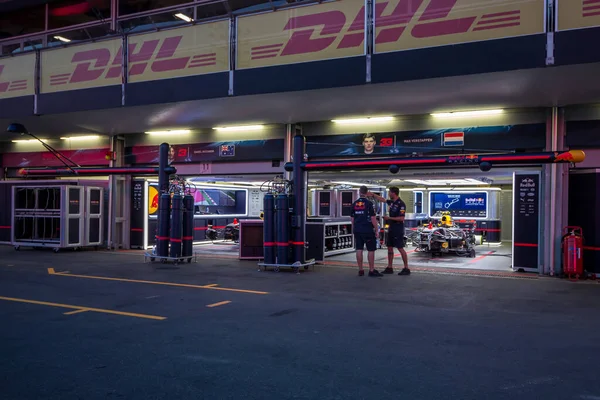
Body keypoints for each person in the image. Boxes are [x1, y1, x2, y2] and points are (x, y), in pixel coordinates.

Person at [368, 187, 410, 276]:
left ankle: (406, 268)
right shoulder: (392, 202)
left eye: (390, 193)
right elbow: (382, 199)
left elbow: (402, 218)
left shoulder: (401, 204)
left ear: (393, 193)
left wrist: (389, 218)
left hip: (398, 228)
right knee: (389, 247)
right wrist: (372, 195)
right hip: (391, 227)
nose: (389, 194)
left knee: (400, 247)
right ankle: (389, 267)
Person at [350, 186, 383, 277]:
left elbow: (352, 219)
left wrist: (354, 228)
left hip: (358, 229)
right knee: (371, 250)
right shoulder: (369, 204)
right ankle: (371, 270)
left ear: (360, 192)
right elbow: (373, 218)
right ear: (367, 192)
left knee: (359, 249)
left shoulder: (354, 204)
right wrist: (377, 230)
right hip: (367, 230)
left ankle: (360, 269)